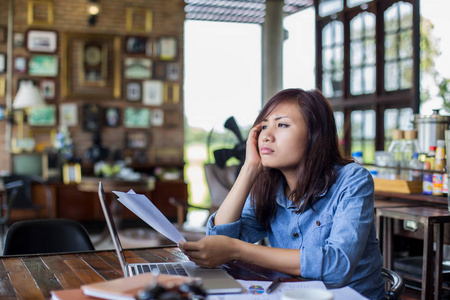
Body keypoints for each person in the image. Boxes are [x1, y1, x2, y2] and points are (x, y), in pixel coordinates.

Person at [178, 88, 385, 299]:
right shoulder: (269, 184)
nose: (266, 136)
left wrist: (237, 250)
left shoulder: (353, 179)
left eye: (282, 125)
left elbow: (337, 267)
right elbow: (219, 242)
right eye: (264, 126)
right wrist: (249, 168)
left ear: (315, 135)